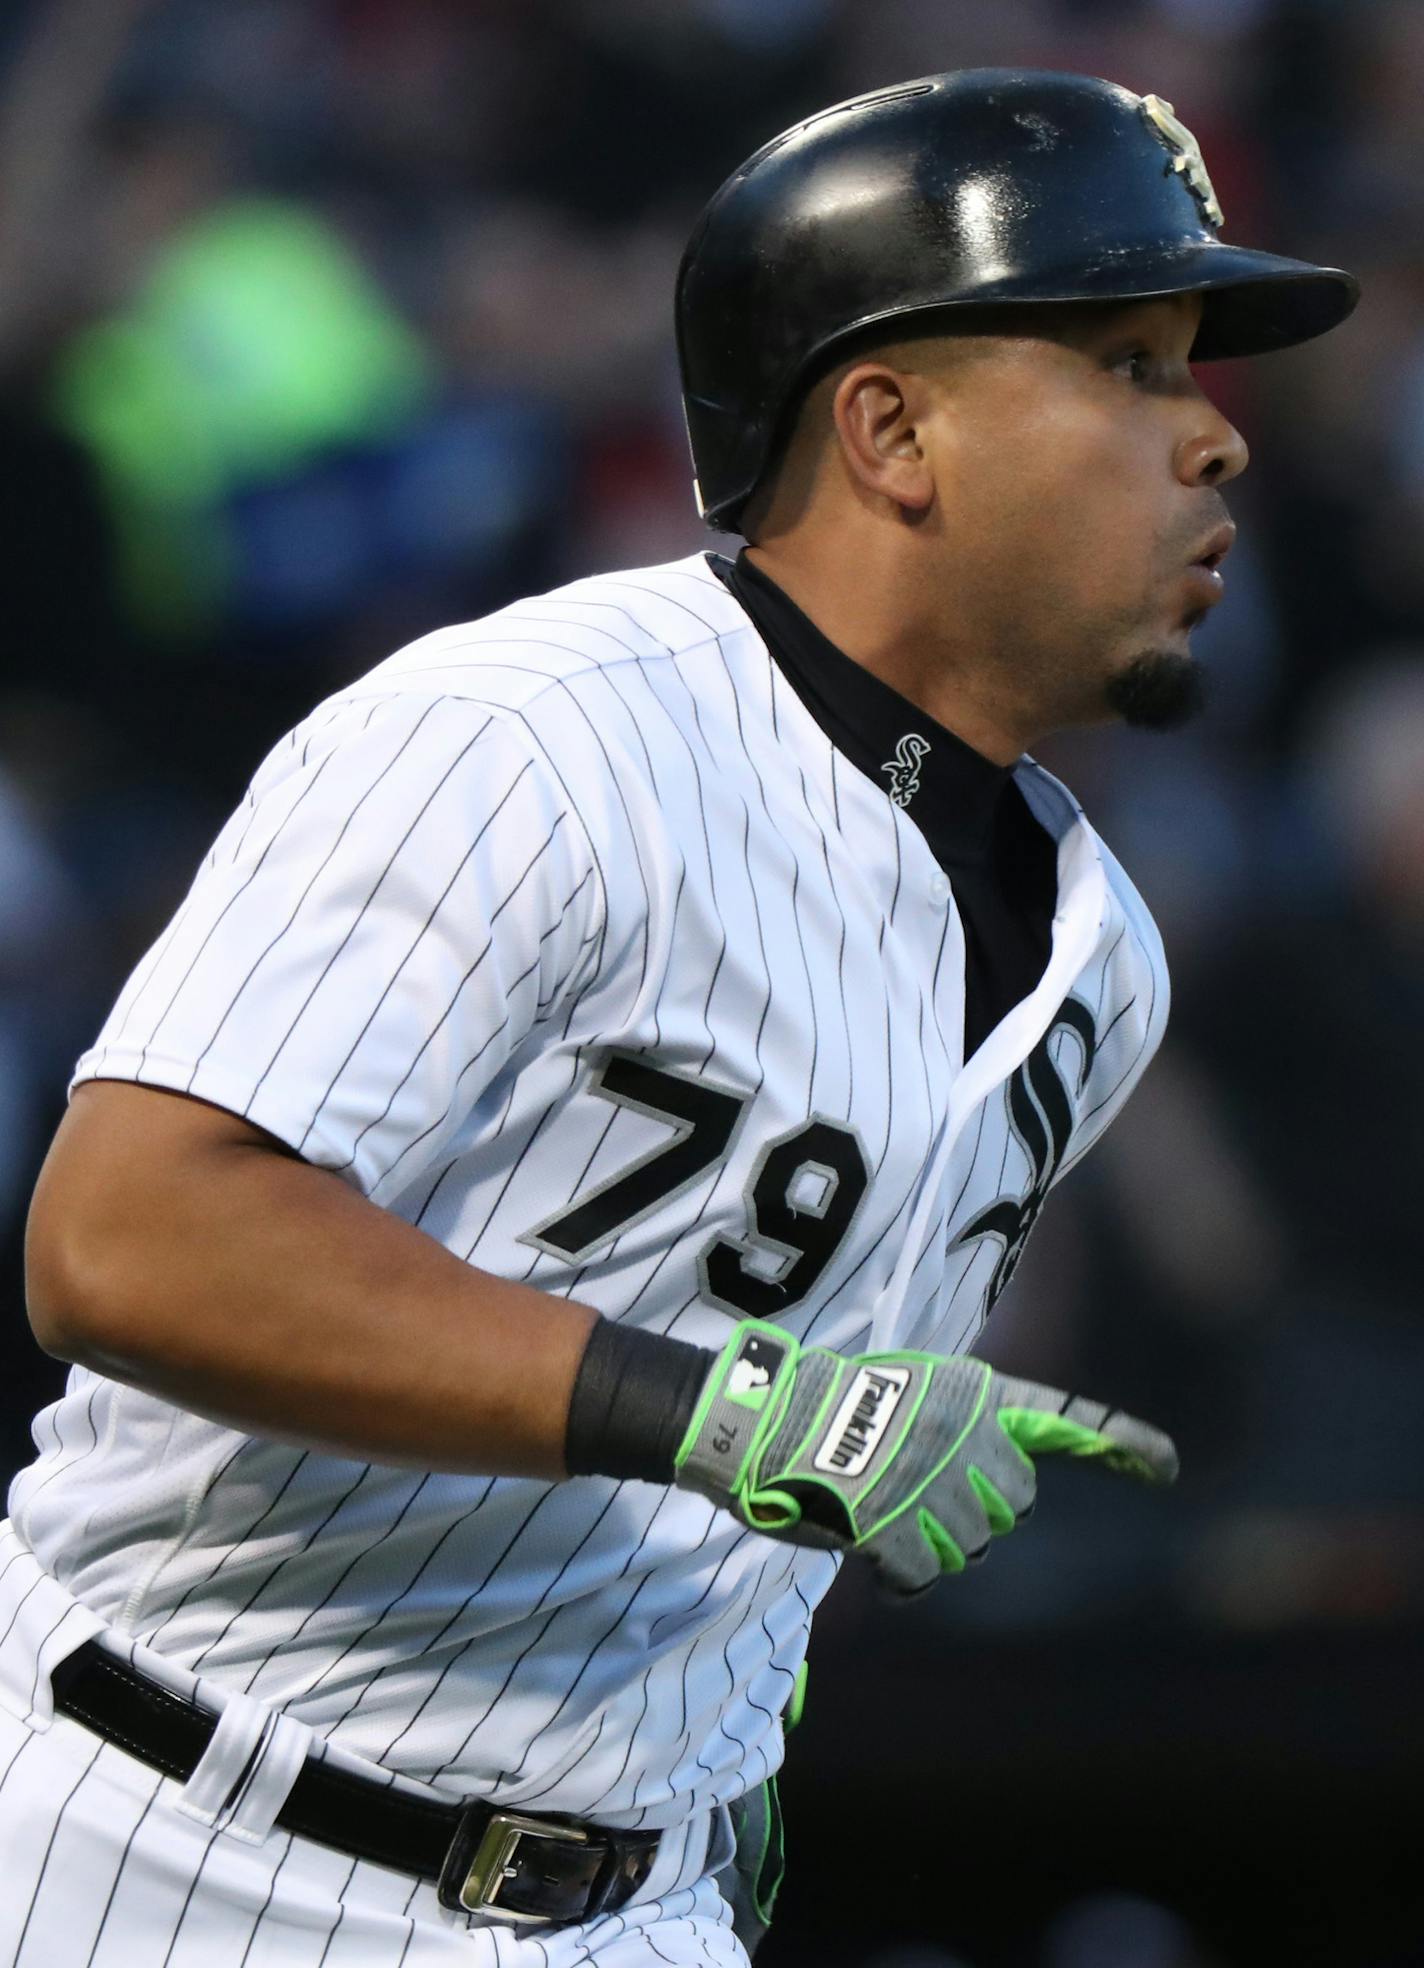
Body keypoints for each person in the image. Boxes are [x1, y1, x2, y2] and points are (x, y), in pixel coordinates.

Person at [1, 69, 1356, 1968]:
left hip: (634, 1900)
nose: (1213, 440)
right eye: (1129, 364)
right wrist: (724, 1409)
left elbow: (766, 1495)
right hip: (171, 1833)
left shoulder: (1099, 960)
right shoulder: (533, 736)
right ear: (892, 430)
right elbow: (127, 1233)